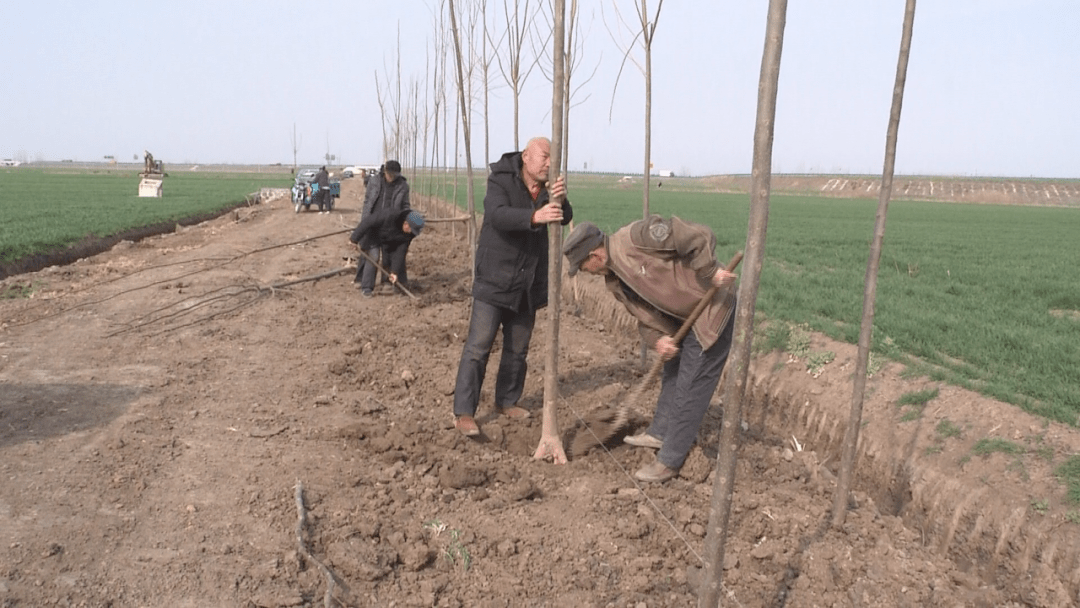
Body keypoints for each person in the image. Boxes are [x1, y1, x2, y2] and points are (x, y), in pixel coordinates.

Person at [561, 216, 738, 483]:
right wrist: (657, 339)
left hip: (711, 309)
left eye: (583, 266)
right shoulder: (614, 282)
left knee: (692, 386)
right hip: (682, 319)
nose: (585, 272)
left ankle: (670, 460)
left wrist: (709, 271)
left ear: (594, 255)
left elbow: (696, 235)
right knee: (673, 375)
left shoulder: (638, 238)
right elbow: (643, 317)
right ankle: (660, 432)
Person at [452, 137, 572, 437]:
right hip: (494, 279)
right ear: (527, 156)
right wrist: (534, 216)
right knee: (478, 348)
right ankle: (464, 412)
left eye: (552, 158)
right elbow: (497, 215)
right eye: (544, 157)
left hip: (527, 284)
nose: (548, 163)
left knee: (517, 350)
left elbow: (565, 217)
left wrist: (561, 200)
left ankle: (507, 400)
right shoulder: (500, 181)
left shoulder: (546, 190)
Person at [355, 161, 410, 292]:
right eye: (389, 174)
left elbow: (406, 205)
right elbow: (367, 201)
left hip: (391, 226)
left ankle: (386, 282)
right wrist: (364, 222)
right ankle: (366, 285)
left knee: (388, 255)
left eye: (394, 175)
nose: (391, 177)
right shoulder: (374, 181)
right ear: (384, 171)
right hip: (373, 223)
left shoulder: (403, 186)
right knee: (371, 254)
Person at [349, 208, 425, 296]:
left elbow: (400, 252)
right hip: (373, 235)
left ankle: (387, 283)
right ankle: (367, 287)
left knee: (390, 257)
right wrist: (354, 239)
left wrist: (394, 272)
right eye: (411, 230)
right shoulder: (389, 215)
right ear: (406, 224)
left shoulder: (409, 235)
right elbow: (367, 222)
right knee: (374, 256)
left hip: (389, 240)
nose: (411, 232)